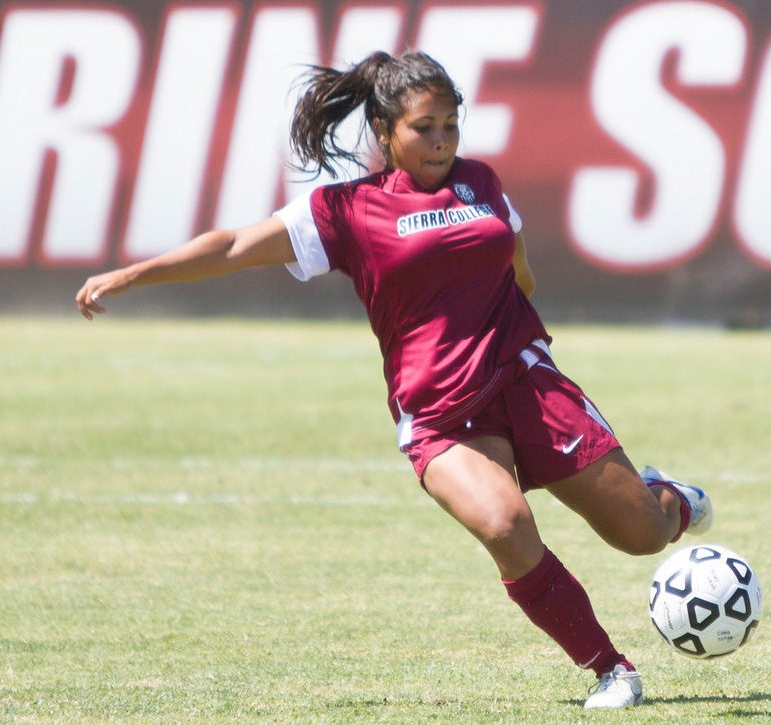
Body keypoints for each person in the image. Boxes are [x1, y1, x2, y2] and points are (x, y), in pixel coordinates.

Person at [75, 50, 712, 709]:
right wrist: (133, 274)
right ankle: (611, 669)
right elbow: (234, 245)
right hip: (440, 414)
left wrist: (516, 311)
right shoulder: (345, 211)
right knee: (504, 526)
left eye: (450, 124)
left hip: (526, 381)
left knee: (642, 534)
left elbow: (517, 262)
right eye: (423, 126)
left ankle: (675, 500)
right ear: (384, 133)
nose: (440, 140)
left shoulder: (482, 182)